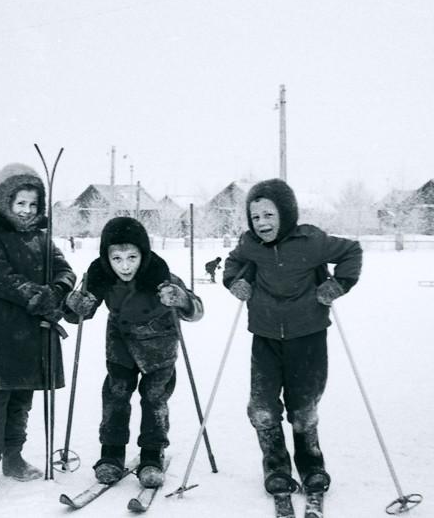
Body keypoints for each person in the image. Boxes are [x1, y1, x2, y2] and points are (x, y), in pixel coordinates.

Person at [222, 178, 362, 498]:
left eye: (269, 215)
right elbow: (232, 263)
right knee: (262, 408)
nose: (262, 223)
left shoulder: (311, 241)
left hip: (308, 337)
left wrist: (338, 285)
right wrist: (234, 282)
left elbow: (351, 251)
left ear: (286, 213)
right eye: (255, 217)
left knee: (303, 408)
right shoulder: (250, 244)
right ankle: (275, 465)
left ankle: (311, 465)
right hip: (265, 337)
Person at [64, 217, 203, 488]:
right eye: (117, 258)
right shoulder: (100, 276)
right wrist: (75, 304)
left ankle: (151, 455)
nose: (125, 266)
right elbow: (79, 313)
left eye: (132, 257)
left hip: (159, 348)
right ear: (107, 258)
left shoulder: (162, 276)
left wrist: (181, 299)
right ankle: (111, 454)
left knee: (154, 399)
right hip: (121, 344)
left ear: (144, 254)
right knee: (116, 395)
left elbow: (197, 310)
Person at [0, 162, 76, 489]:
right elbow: (0, 278)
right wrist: (35, 295)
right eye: (20, 204)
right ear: (5, 202)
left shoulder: (43, 239)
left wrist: (56, 290)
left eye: (32, 205)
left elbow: (65, 270)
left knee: (22, 399)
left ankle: (13, 457)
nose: (27, 211)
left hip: (33, 334)